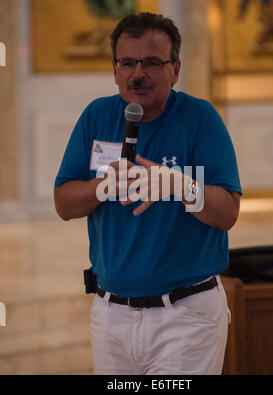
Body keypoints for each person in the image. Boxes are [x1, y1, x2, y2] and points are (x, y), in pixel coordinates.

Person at [54, 12, 242, 375]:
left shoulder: (201, 119)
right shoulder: (96, 116)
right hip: (111, 318)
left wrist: (181, 186)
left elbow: (228, 212)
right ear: (114, 69)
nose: (137, 73)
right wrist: (102, 187)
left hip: (185, 317)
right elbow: (63, 202)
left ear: (175, 69)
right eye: (127, 62)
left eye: (152, 62)